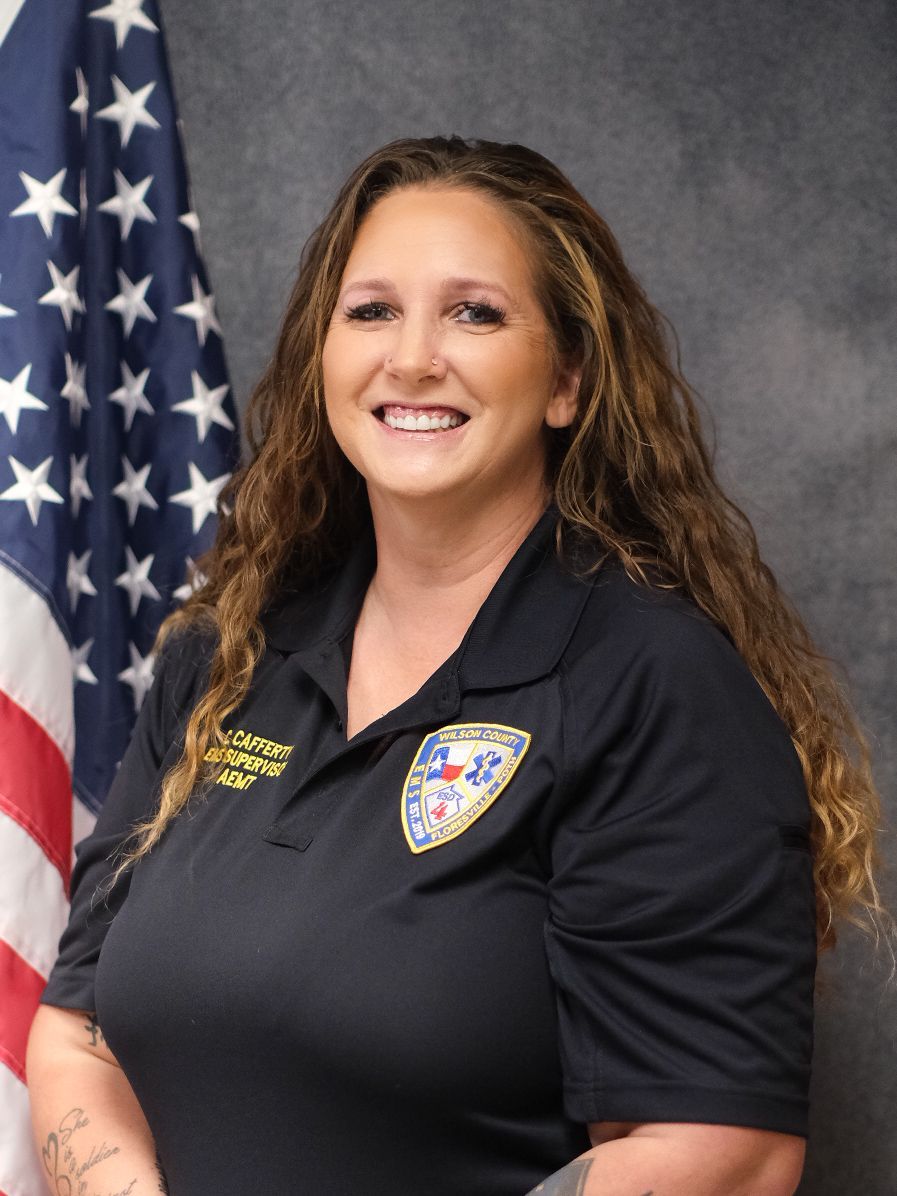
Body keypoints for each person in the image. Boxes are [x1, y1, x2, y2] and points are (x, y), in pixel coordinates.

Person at [27, 136, 887, 1196]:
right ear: (323, 356)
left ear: (567, 379)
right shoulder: (224, 650)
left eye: (474, 313)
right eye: (371, 311)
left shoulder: (647, 683)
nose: (412, 358)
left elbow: (725, 1152)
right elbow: (76, 1033)